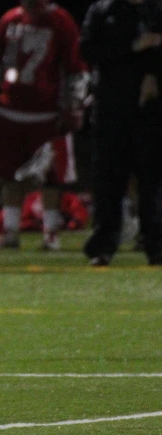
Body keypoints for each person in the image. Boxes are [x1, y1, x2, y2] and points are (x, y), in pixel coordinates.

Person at [0, 0, 88, 251]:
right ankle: (10, 232)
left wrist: (73, 105)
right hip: (11, 108)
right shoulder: (10, 19)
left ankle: (50, 234)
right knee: (10, 175)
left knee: (50, 177)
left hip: (47, 112)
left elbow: (75, 68)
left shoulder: (61, 20)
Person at [80, 0, 162, 266]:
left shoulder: (155, 10)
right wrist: (132, 47)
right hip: (111, 108)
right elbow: (89, 50)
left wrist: (153, 74)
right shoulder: (103, 11)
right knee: (108, 180)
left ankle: (156, 245)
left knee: (152, 181)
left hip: (149, 111)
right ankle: (103, 246)